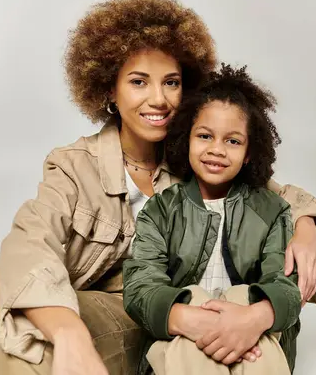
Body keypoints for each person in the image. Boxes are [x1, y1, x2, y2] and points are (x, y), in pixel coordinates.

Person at [0, 0, 316, 375]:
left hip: (206, 306)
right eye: (139, 82)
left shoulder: (197, 152)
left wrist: (307, 222)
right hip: (125, 316)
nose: (160, 99)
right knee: (22, 330)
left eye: (171, 82)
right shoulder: (73, 167)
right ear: (108, 88)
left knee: (311, 233)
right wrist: (68, 334)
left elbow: (277, 196)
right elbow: (28, 247)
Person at [123, 63, 301, 374]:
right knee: (194, 297)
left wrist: (251, 318)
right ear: (187, 139)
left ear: (248, 152)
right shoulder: (161, 210)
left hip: (253, 341)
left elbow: (285, 287)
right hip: (182, 339)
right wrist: (197, 319)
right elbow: (141, 288)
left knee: (243, 295)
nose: (216, 150)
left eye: (232, 141)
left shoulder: (272, 211)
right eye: (205, 136)